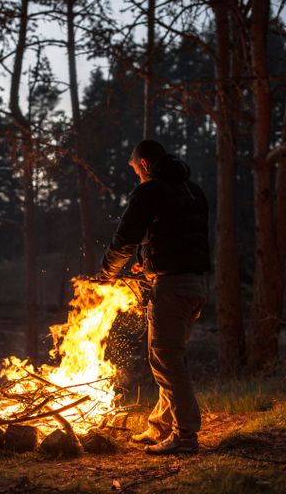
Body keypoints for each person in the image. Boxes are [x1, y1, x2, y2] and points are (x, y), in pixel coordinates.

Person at [97, 139, 210, 455]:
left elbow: (124, 239)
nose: (135, 174)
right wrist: (147, 262)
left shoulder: (150, 190)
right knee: (170, 355)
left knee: (165, 358)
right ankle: (160, 426)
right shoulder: (192, 190)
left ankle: (185, 436)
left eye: (134, 168)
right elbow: (183, 239)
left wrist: (105, 276)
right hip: (196, 284)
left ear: (144, 163)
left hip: (172, 288)